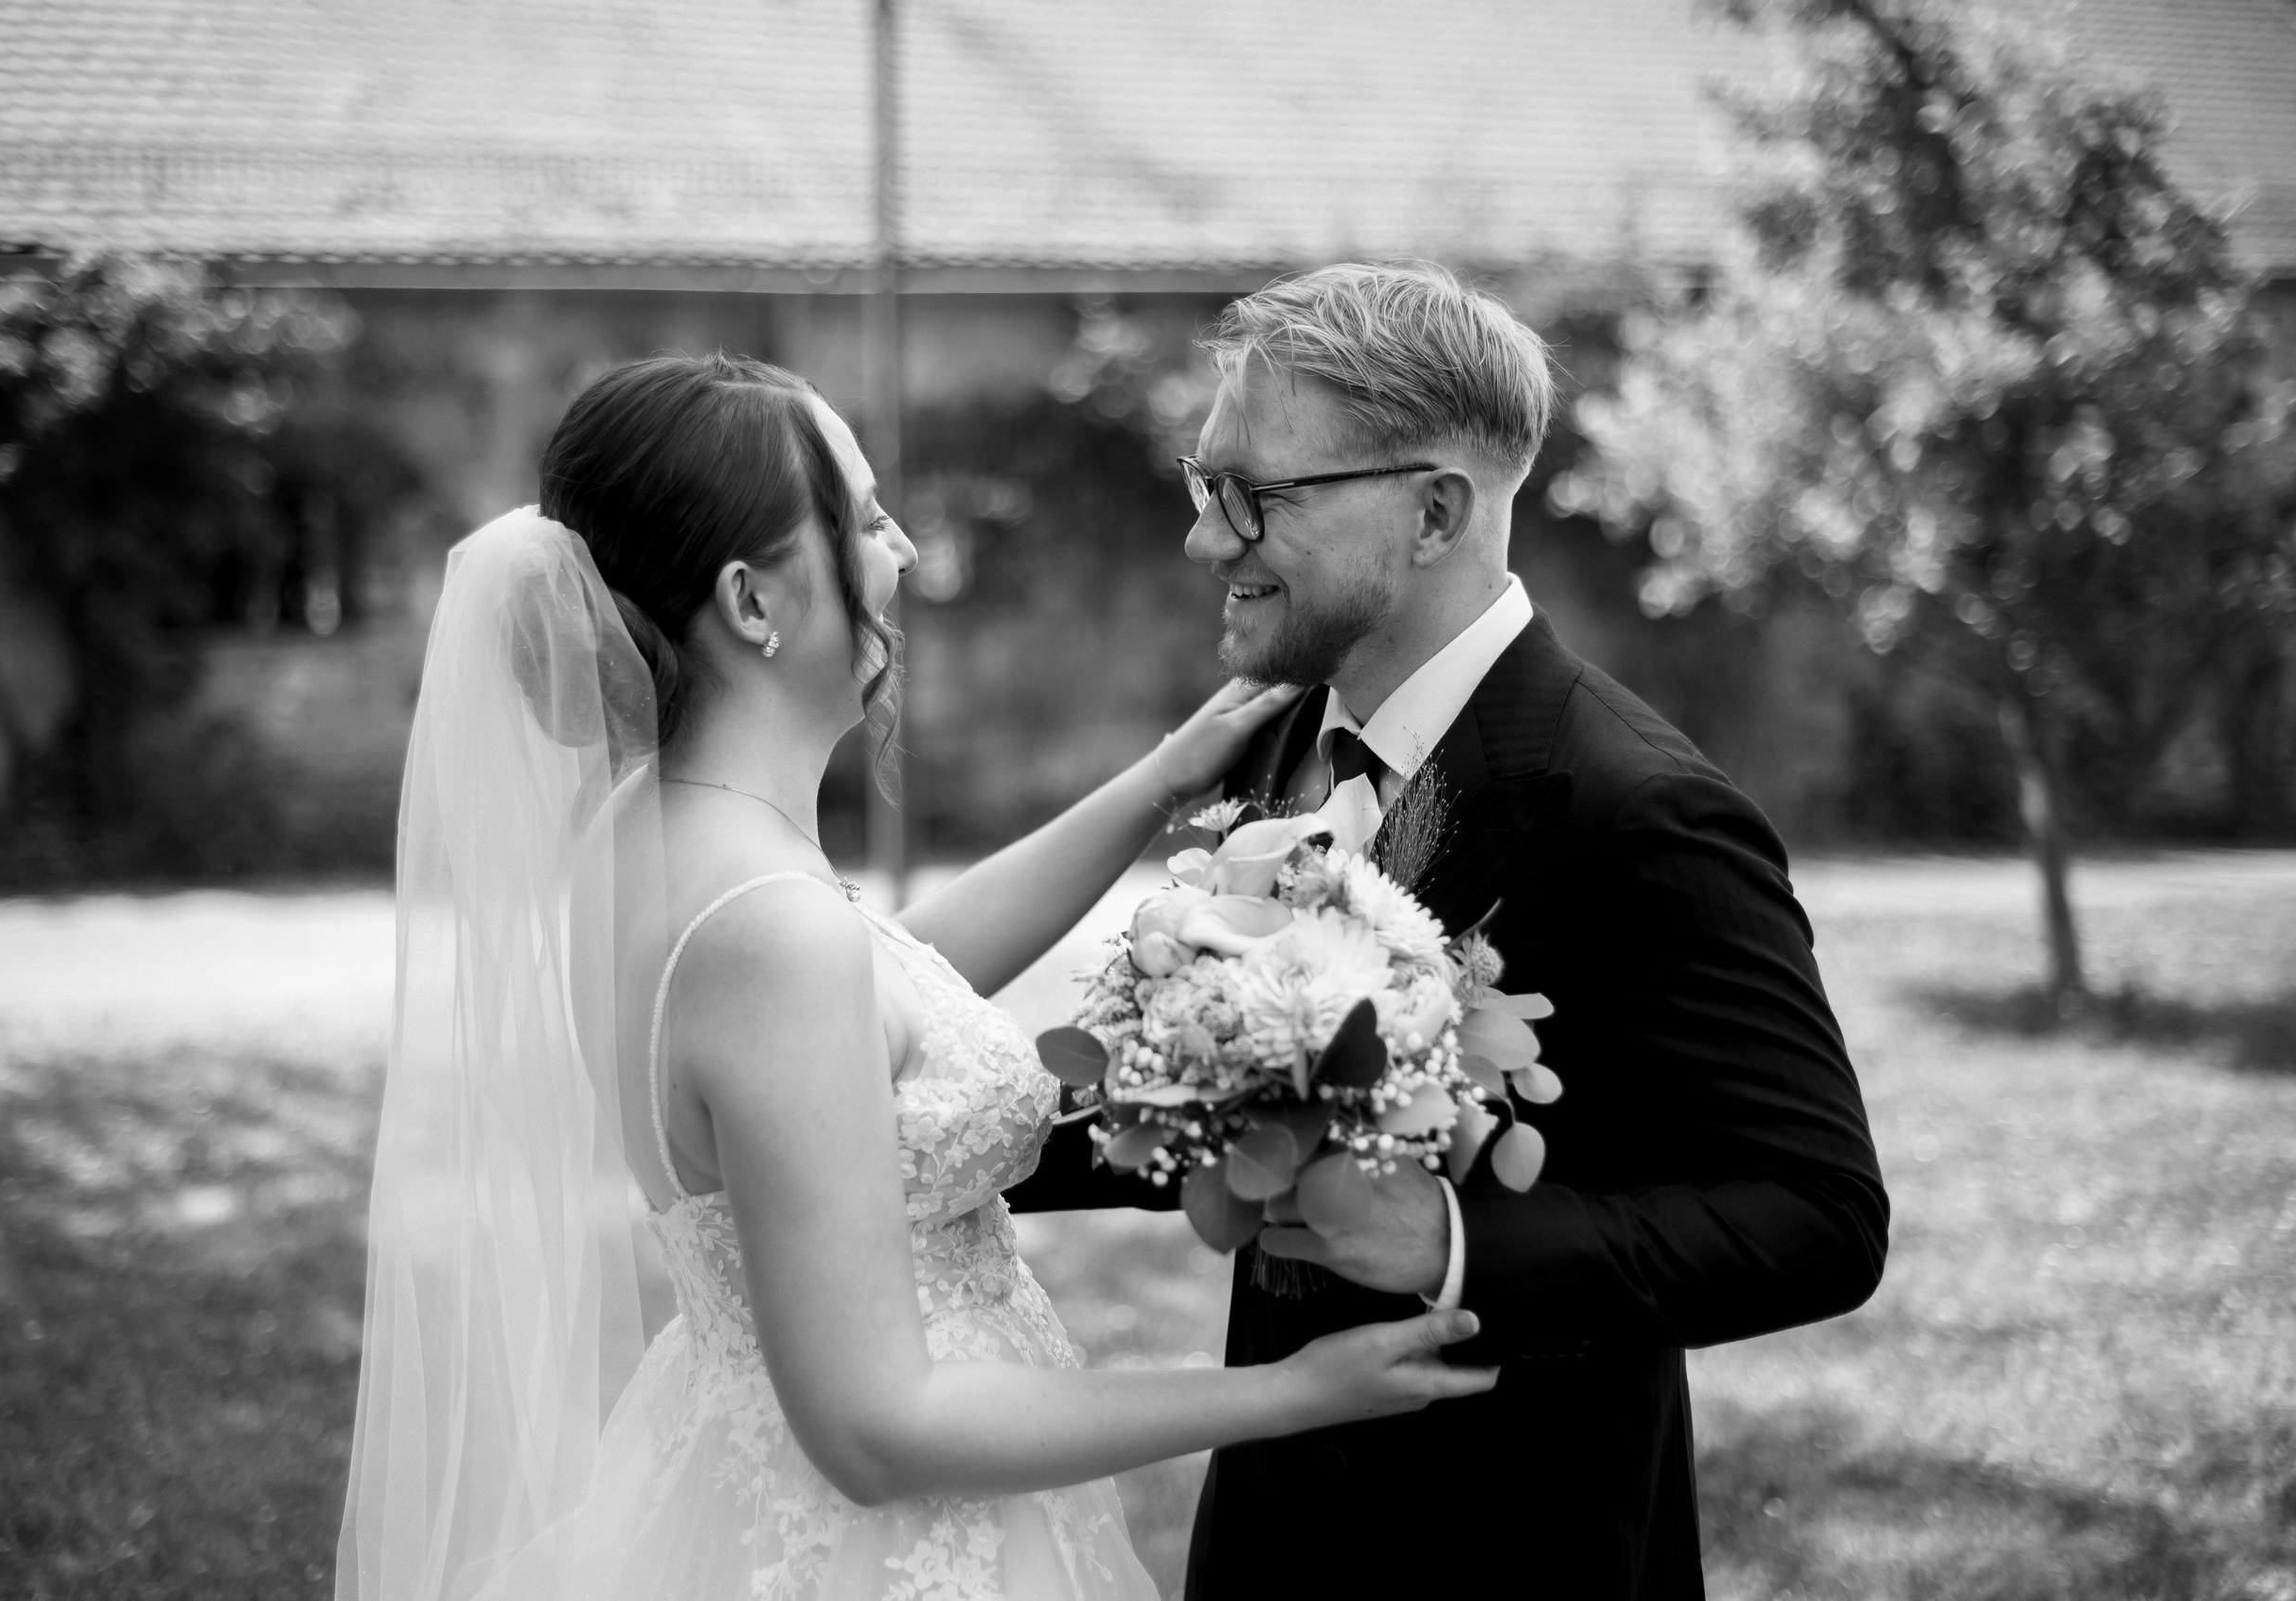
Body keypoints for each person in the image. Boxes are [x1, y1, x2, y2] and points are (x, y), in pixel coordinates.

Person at [335, 351, 1498, 1601]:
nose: (902, 554)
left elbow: (889, 986)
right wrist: (1287, 1392)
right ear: (752, 600)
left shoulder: (657, 836)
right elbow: (877, 1431)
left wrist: (1159, 782)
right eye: (867, 518)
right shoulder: (769, 936)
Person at [1008, 262, 1890, 1599]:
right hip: (1267, 1535)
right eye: (1205, 482)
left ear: (1434, 511)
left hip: (1523, 1554)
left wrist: (1453, 1245)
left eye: (1254, 495)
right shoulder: (1285, 737)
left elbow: (1821, 1218)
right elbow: (1233, 1094)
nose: (1205, 541)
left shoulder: (1641, 809)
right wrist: (964, 1142)